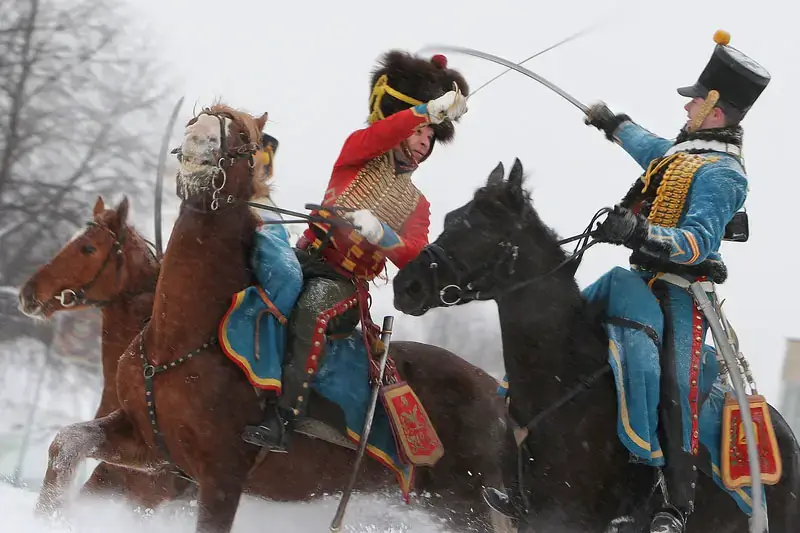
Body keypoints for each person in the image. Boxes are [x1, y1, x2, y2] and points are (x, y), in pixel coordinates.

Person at [483, 30, 770, 533]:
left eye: (694, 103)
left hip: (681, 295)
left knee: (676, 386)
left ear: (715, 108)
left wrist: (639, 229)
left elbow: (697, 244)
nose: (686, 110)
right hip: (636, 283)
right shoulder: (681, 155)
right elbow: (647, 145)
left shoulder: (726, 174)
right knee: (558, 333)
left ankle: (674, 504)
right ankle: (526, 474)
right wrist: (612, 122)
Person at [242, 50, 469, 452]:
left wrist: (382, 234)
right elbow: (381, 133)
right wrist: (427, 110)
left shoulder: (418, 205)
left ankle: (284, 418)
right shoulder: (358, 153)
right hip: (303, 258)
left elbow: (413, 254)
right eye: (419, 133)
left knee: (313, 307)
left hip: (343, 285)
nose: (423, 142)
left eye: (430, 138)